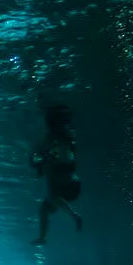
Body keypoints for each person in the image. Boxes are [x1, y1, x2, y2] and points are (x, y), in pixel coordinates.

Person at [30, 104, 83, 244]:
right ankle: (42, 237)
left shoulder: (58, 137)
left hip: (68, 181)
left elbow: (63, 156)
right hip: (66, 182)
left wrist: (41, 160)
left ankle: (75, 216)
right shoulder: (58, 137)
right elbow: (40, 155)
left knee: (53, 197)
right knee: (44, 208)